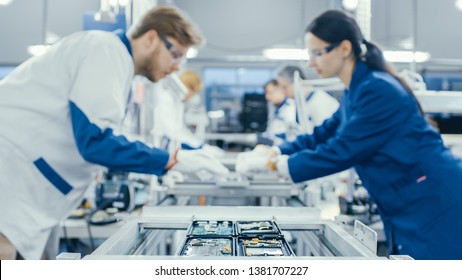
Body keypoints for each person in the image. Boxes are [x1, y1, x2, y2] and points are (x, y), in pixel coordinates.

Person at [0, 6, 229, 260]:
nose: (177, 67)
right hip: (11, 180)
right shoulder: (104, 49)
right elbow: (97, 140)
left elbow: (109, 134)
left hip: (30, 191)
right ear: (151, 38)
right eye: (175, 54)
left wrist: (173, 157)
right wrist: (169, 160)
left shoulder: (118, 66)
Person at [236, 10, 462, 259]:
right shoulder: (356, 90)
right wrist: (277, 151)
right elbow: (321, 135)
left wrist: (276, 165)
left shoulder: (377, 89)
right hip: (410, 200)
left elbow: (342, 150)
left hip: (434, 203)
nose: (311, 63)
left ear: (344, 48)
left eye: (317, 53)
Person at [278, 65, 339, 133]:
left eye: (284, 87)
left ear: (297, 82)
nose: (282, 92)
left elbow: (327, 134)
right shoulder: (301, 102)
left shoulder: (320, 102)